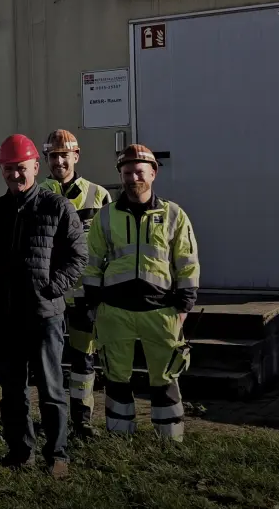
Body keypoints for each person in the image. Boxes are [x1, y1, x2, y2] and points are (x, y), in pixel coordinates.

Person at [0, 135, 86, 479]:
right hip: (5, 318)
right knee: (12, 391)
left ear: (36, 168)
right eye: (8, 169)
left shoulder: (57, 207)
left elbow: (77, 256)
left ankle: (57, 454)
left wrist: (50, 289)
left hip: (44, 317)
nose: (15, 175)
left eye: (21, 169)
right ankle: (19, 451)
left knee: (52, 390)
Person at [81, 144, 199, 442]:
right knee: (116, 379)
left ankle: (170, 441)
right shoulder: (105, 217)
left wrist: (184, 306)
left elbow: (187, 263)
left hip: (161, 312)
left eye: (139, 172)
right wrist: (94, 305)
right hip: (115, 312)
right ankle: (120, 441)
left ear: (153, 173)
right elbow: (92, 263)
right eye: (127, 173)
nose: (133, 178)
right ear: (120, 175)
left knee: (165, 378)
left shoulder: (174, 215)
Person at [39, 129, 113, 438]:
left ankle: (82, 420)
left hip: (86, 294)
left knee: (84, 357)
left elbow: (110, 245)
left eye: (63, 155)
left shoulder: (99, 195)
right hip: (50, 295)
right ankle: (52, 420)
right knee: (49, 360)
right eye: (53, 156)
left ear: (76, 156)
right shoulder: (38, 192)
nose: (58, 161)